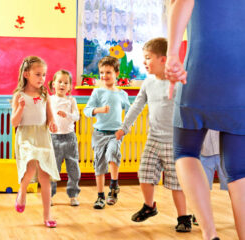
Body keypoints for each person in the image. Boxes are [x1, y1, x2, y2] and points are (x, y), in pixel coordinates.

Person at [165, 1, 245, 239]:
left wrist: (171, 55)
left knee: (184, 151)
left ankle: (210, 234)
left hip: (200, 70)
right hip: (240, 76)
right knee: (239, 170)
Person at [116, 37, 192, 232]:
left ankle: (183, 217)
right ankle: (149, 207)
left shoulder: (178, 83)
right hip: (153, 139)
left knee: (176, 182)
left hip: (174, 141)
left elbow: (190, 107)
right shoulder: (148, 83)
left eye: (148, 58)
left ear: (163, 60)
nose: (144, 62)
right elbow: (136, 106)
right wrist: (124, 127)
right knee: (145, 175)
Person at [11, 56, 60, 228]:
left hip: (42, 135)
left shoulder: (44, 94)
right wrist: (21, 107)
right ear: (26, 74)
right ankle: (22, 191)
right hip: (26, 136)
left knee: (45, 175)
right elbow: (14, 123)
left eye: (44, 75)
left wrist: (52, 123)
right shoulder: (19, 95)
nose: (42, 78)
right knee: (31, 166)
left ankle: (47, 216)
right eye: (38, 74)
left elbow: (49, 115)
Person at [84, 56, 130, 209]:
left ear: (116, 73)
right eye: (101, 72)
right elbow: (87, 110)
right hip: (99, 134)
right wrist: (98, 110)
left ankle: (113, 187)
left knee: (112, 154)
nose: (104, 76)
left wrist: (125, 128)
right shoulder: (97, 93)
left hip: (115, 134)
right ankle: (100, 196)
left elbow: (130, 112)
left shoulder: (122, 94)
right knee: (99, 165)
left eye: (108, 72)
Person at [48, 70, 81, 206]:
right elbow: (45, 117)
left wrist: (67, 114)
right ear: (53, 84)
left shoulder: (71, 100)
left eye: (66, 82)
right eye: (60, 81)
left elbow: (76, 117)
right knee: (52, 168)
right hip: (53, 139)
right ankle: (49, 195)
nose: (62, 84)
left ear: (69, 86)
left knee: (73, 169)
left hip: (70, 139)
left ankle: (73, 195)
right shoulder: (49, 99)